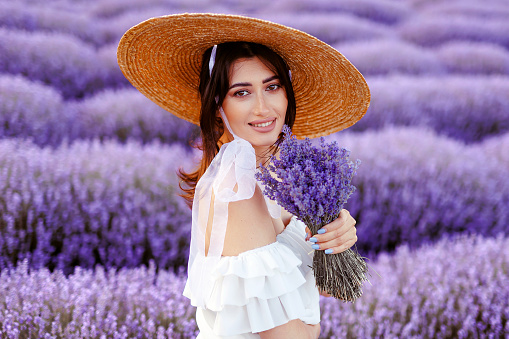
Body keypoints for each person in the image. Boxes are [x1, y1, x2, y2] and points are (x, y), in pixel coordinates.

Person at [117, 13, 370, 338]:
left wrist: (333, 237)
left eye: (272, 86)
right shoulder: (238, 187)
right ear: (217, 106)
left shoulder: (278, 177)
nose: (263, 108)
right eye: (242, 92)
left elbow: (313, 291)